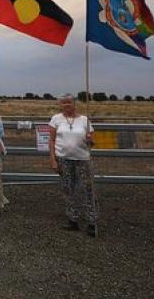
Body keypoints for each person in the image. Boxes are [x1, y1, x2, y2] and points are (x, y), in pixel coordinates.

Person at [49, 94, 99, 237]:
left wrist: (90, 140)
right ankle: (73, 219)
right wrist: (53, 159)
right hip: (63, 159)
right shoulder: (56, 119)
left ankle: (91, 221)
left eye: (69, 102)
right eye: (63, 103)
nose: (66, 105)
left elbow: (92, 143)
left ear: (74, 103)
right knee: (68, 189)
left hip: (83, 159)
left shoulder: (84, 120)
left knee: (88, 189)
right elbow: (51, 140)